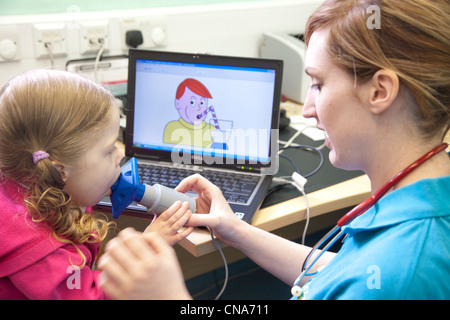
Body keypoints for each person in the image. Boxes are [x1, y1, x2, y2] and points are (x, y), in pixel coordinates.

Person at [98, 0, 450, 300]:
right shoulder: (426, 195)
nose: (308, 108)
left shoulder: (402, 271)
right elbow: (345, 272)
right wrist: (236, 230)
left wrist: (170, 296)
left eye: (319, 83)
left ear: (380, 91)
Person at [0, 69, 193, 299]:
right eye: (108, 149)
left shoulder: (31, 187)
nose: (119, 156)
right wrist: (148, 248)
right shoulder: (44, 255)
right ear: (60, 171)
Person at [163, 78, 216, 147]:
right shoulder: (171, 127)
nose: (198, 107)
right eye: (192, 102)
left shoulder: (212, 130)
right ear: (177, 103)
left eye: (202, 103)